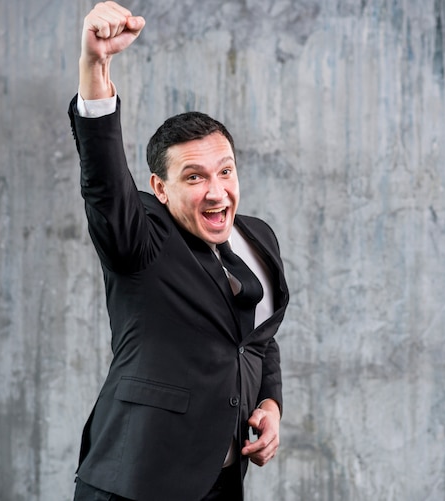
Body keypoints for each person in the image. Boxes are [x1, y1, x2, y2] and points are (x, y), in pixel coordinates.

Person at [67, 2, 289, 500]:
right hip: (136, 482)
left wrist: (271, 403)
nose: (216, 192)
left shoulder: (257, 236)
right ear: (160, 189)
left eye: (225, 171)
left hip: (222, 481)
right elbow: (104, 182)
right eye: (194, 177)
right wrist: (95, 67)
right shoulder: (143, 239)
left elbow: (258, 338)